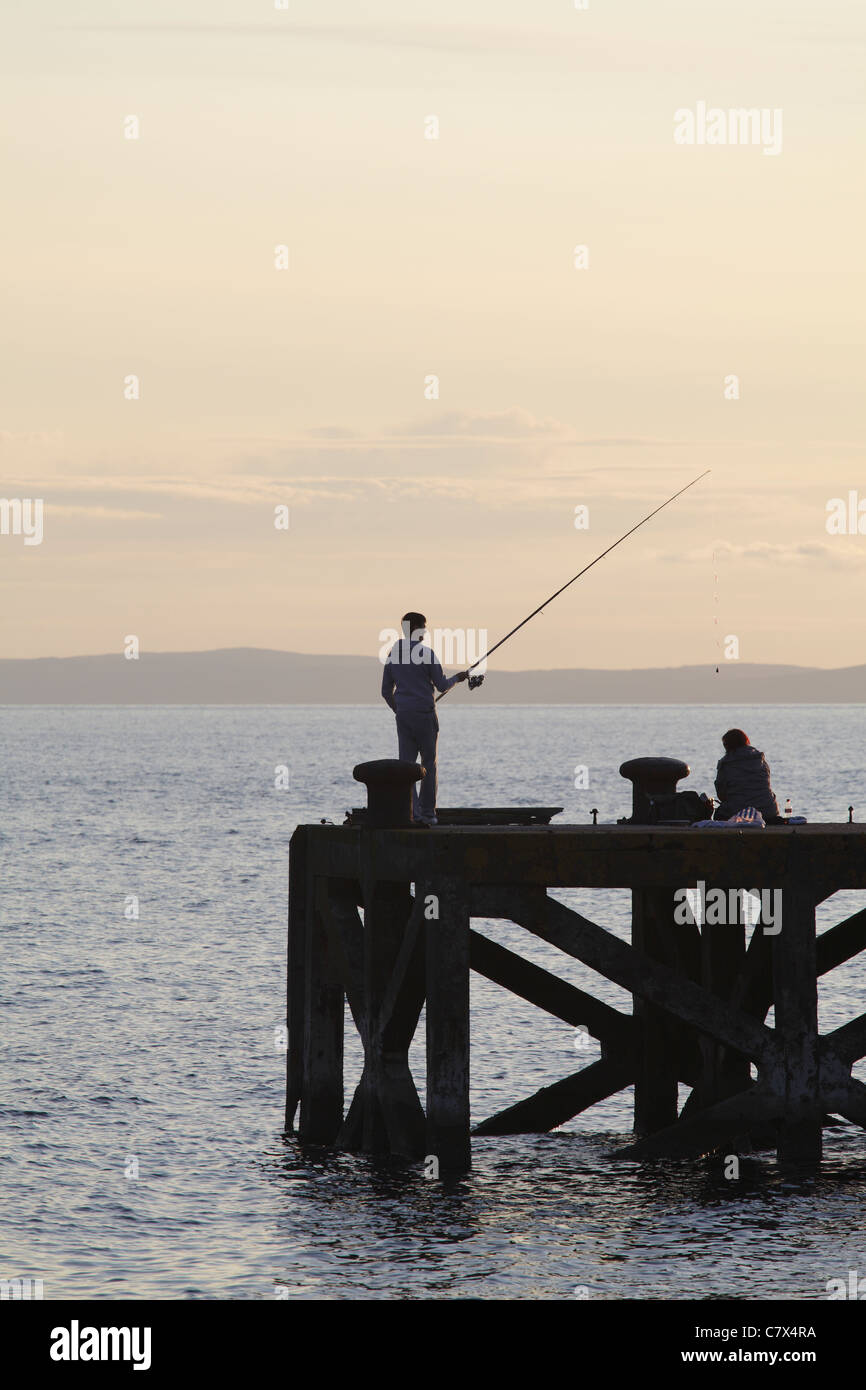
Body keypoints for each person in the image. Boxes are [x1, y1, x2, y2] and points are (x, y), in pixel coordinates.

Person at [381, 613, 468, 826]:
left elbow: (385, 691)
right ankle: (428, 813)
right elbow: (442, 685)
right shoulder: (426, 654)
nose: (426, 631)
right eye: (424, 627)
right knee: (428, 764)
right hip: (425, 715)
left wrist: (398, 709)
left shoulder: (393, 654)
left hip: (403, 716)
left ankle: (412, 812)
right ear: (417, 628)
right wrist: (459, 678)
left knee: (407, 767)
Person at [714, 729, 782, 823]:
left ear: (727, 745)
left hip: (739, 814)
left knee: (718, 814)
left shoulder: (726, 763)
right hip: (769, 812)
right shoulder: (760, 760)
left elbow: (721, 795)